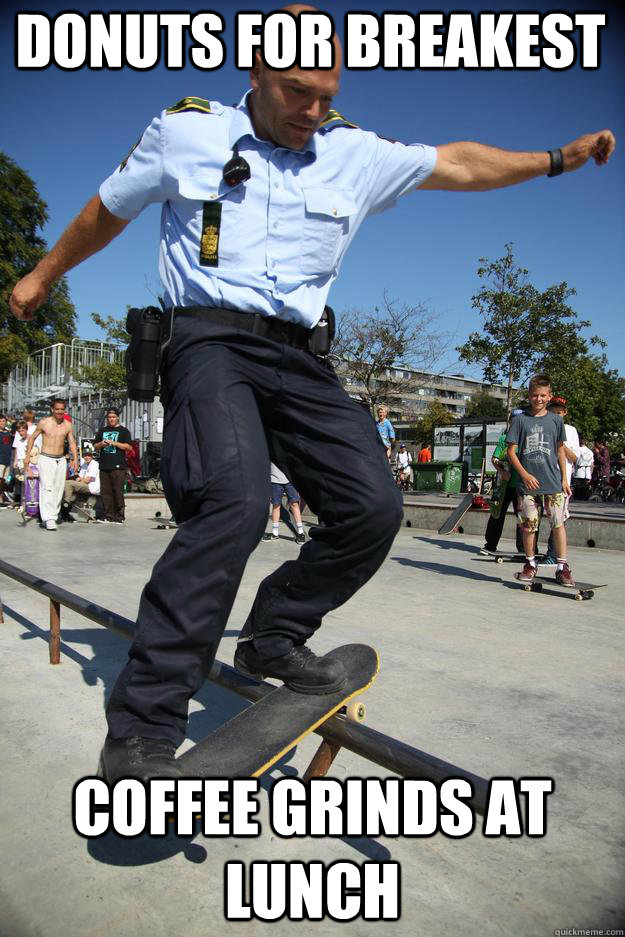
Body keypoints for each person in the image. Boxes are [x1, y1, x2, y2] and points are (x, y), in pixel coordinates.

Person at [9, 3, 614, 782]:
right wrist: (42, 275)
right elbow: (106, 211)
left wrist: (556, 159)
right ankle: (142, 726)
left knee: (373, 506)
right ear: (254, 72)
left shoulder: (351, 151)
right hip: (208, 342)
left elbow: (458, 163)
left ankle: (274, 634)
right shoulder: (186, 131)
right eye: (298, 92)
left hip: (300, 357)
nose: (314, 111)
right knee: (234, 502)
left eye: (327, 94)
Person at [507, 374, 574, 586]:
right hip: (527, 485)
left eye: (543, 395)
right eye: (535, 395)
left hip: (553, 482)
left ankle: (562, 567)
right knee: (529, 526)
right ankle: (530, 563)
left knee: (558, 523)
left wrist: (564, 478)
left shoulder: (556, 420)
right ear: (529, 395)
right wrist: (524, 475)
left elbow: (560, 450)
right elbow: (511, 452)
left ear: (550, 396)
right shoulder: (520, 420)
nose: (539, 399)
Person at [23, 399, 78, 531]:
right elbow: (32, 438)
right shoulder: (44, 422)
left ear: (64, 410)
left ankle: (53, 514)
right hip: (46, 458)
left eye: (62, 409)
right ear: (52, 410)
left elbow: (71, 442)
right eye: (57, 409)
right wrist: (27, 456)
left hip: (61, 459)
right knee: (47, 488)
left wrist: (75, 458)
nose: (59, 411)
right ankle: (48, 518)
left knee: (58, 489)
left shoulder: (68, 425)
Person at [482, 409, 525, 555]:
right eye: (514, 420)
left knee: (523, 516)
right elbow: (494, 459)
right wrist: (502, 471)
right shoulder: (504, 439)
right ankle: (490, 544)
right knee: (497, 513)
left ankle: (524, 548)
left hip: (521, 485)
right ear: (510, 421)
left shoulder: (526, 438)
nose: (516, 423)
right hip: (504, 485)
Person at [543, 397, 580, 564]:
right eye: (553, 412)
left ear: (565, 413)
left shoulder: (570, 431)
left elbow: (574, 457)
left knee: (558, 518)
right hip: (544, 476)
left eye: (559, 412)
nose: (556, 415)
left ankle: (554, 554)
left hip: (561, 480)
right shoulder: (544, 426)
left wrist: (560, 442)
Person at [93, 408, 132, 524]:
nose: (111, 419)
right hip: (104, 465)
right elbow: (95, 446)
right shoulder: (102, 430)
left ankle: (119, 517)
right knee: (106, 492)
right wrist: (101, 444)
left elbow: (128, 447)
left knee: (117, 491)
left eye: (113, 417)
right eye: (109, 417)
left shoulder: (124, 431)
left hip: (118, 466)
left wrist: (114, 443)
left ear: (118, 417)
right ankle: (108, 516)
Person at [263, 462, 306, 543]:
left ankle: (301, 533)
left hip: (290, 480)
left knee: (294, 504)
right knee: (276, 506)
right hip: (274, 480)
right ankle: (275, 534)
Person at [63, 450, 101, 516]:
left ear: (92, 456)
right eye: (85, 456)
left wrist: (78, 481)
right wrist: (79, 480)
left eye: (88, 455)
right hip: (86, 485)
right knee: (67, 483)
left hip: (92, 487)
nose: (86, 457)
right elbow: (80, 477)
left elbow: (88, 480)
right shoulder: (84, 464)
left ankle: (66, 503)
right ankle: (66, 505)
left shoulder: (94, 464)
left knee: (68, 483)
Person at [0, 414, 13, 507]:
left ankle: (1, 496)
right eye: (0, 421)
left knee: (5, 480)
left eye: (3, 421)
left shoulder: (8, 433)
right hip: (0, 461)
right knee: (0, 480)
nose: (2, 423)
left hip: (7, 460)